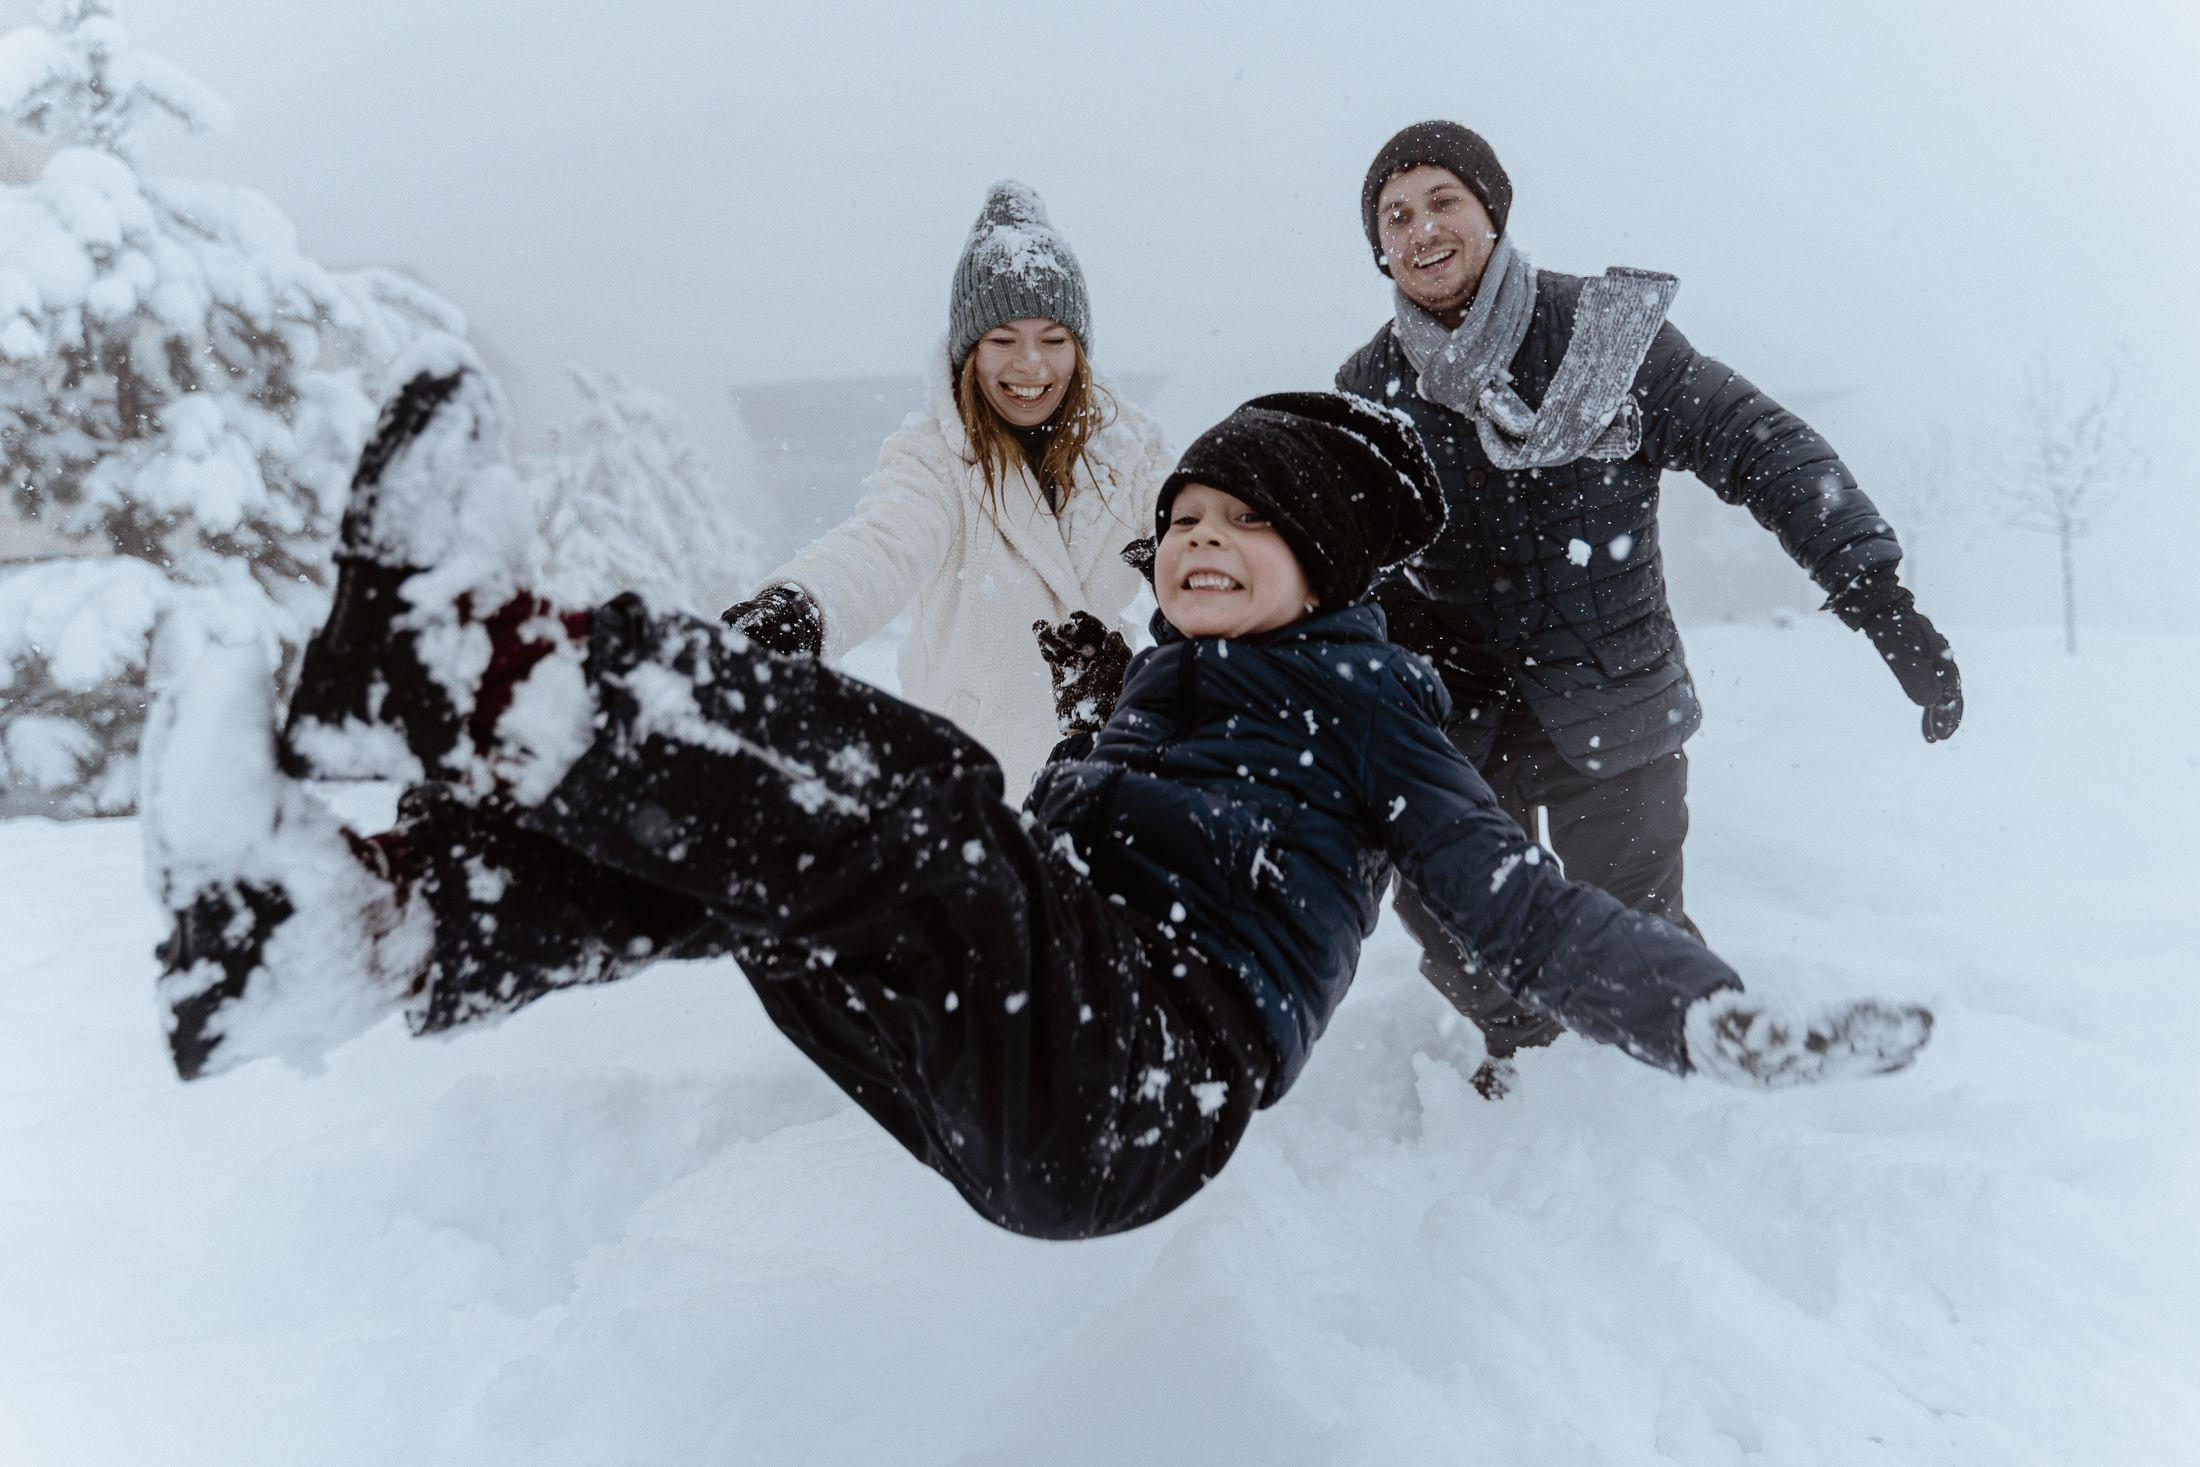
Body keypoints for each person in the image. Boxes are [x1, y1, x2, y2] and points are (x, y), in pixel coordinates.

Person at [146, 352, 1932, 1241]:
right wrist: (1098, 724)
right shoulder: (1157, 689)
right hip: (1022, 1059)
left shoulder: (1377, 700)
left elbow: (1517, 905)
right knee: (774, 859)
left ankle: (473, 666)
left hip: (1145, 1075)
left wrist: (1709, 1016)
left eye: (1248, 525)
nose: (1200, 543)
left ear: (1328, 564)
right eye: (1188, 524)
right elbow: (1027, 836)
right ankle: (348, 930)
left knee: (916, 786)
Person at [1334, 122, 1964, 1092]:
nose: (1420, 229)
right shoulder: (1370, 389)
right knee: (1461, 931)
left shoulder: (1602, 335)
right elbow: (1333, 556)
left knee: (1630, 921)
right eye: (1395, 214)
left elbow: (1757, 441)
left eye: (1441, 201)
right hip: (1455, 717)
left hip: (1610, 698)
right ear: (1378, 245)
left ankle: (1690, 1063)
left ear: (1490, 211)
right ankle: (1525, 1055)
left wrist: (1871, 588)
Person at [716, 180, 1172, 793]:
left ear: (1080, 350)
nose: (1031, 365)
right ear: (968, 354)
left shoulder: (1131, 453)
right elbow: (880, 546)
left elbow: (1201, 525)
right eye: (1003, 340)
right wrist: (802, 608)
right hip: (973, 791)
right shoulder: (934, 459)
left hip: (1104, 781)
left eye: (1054, 340)